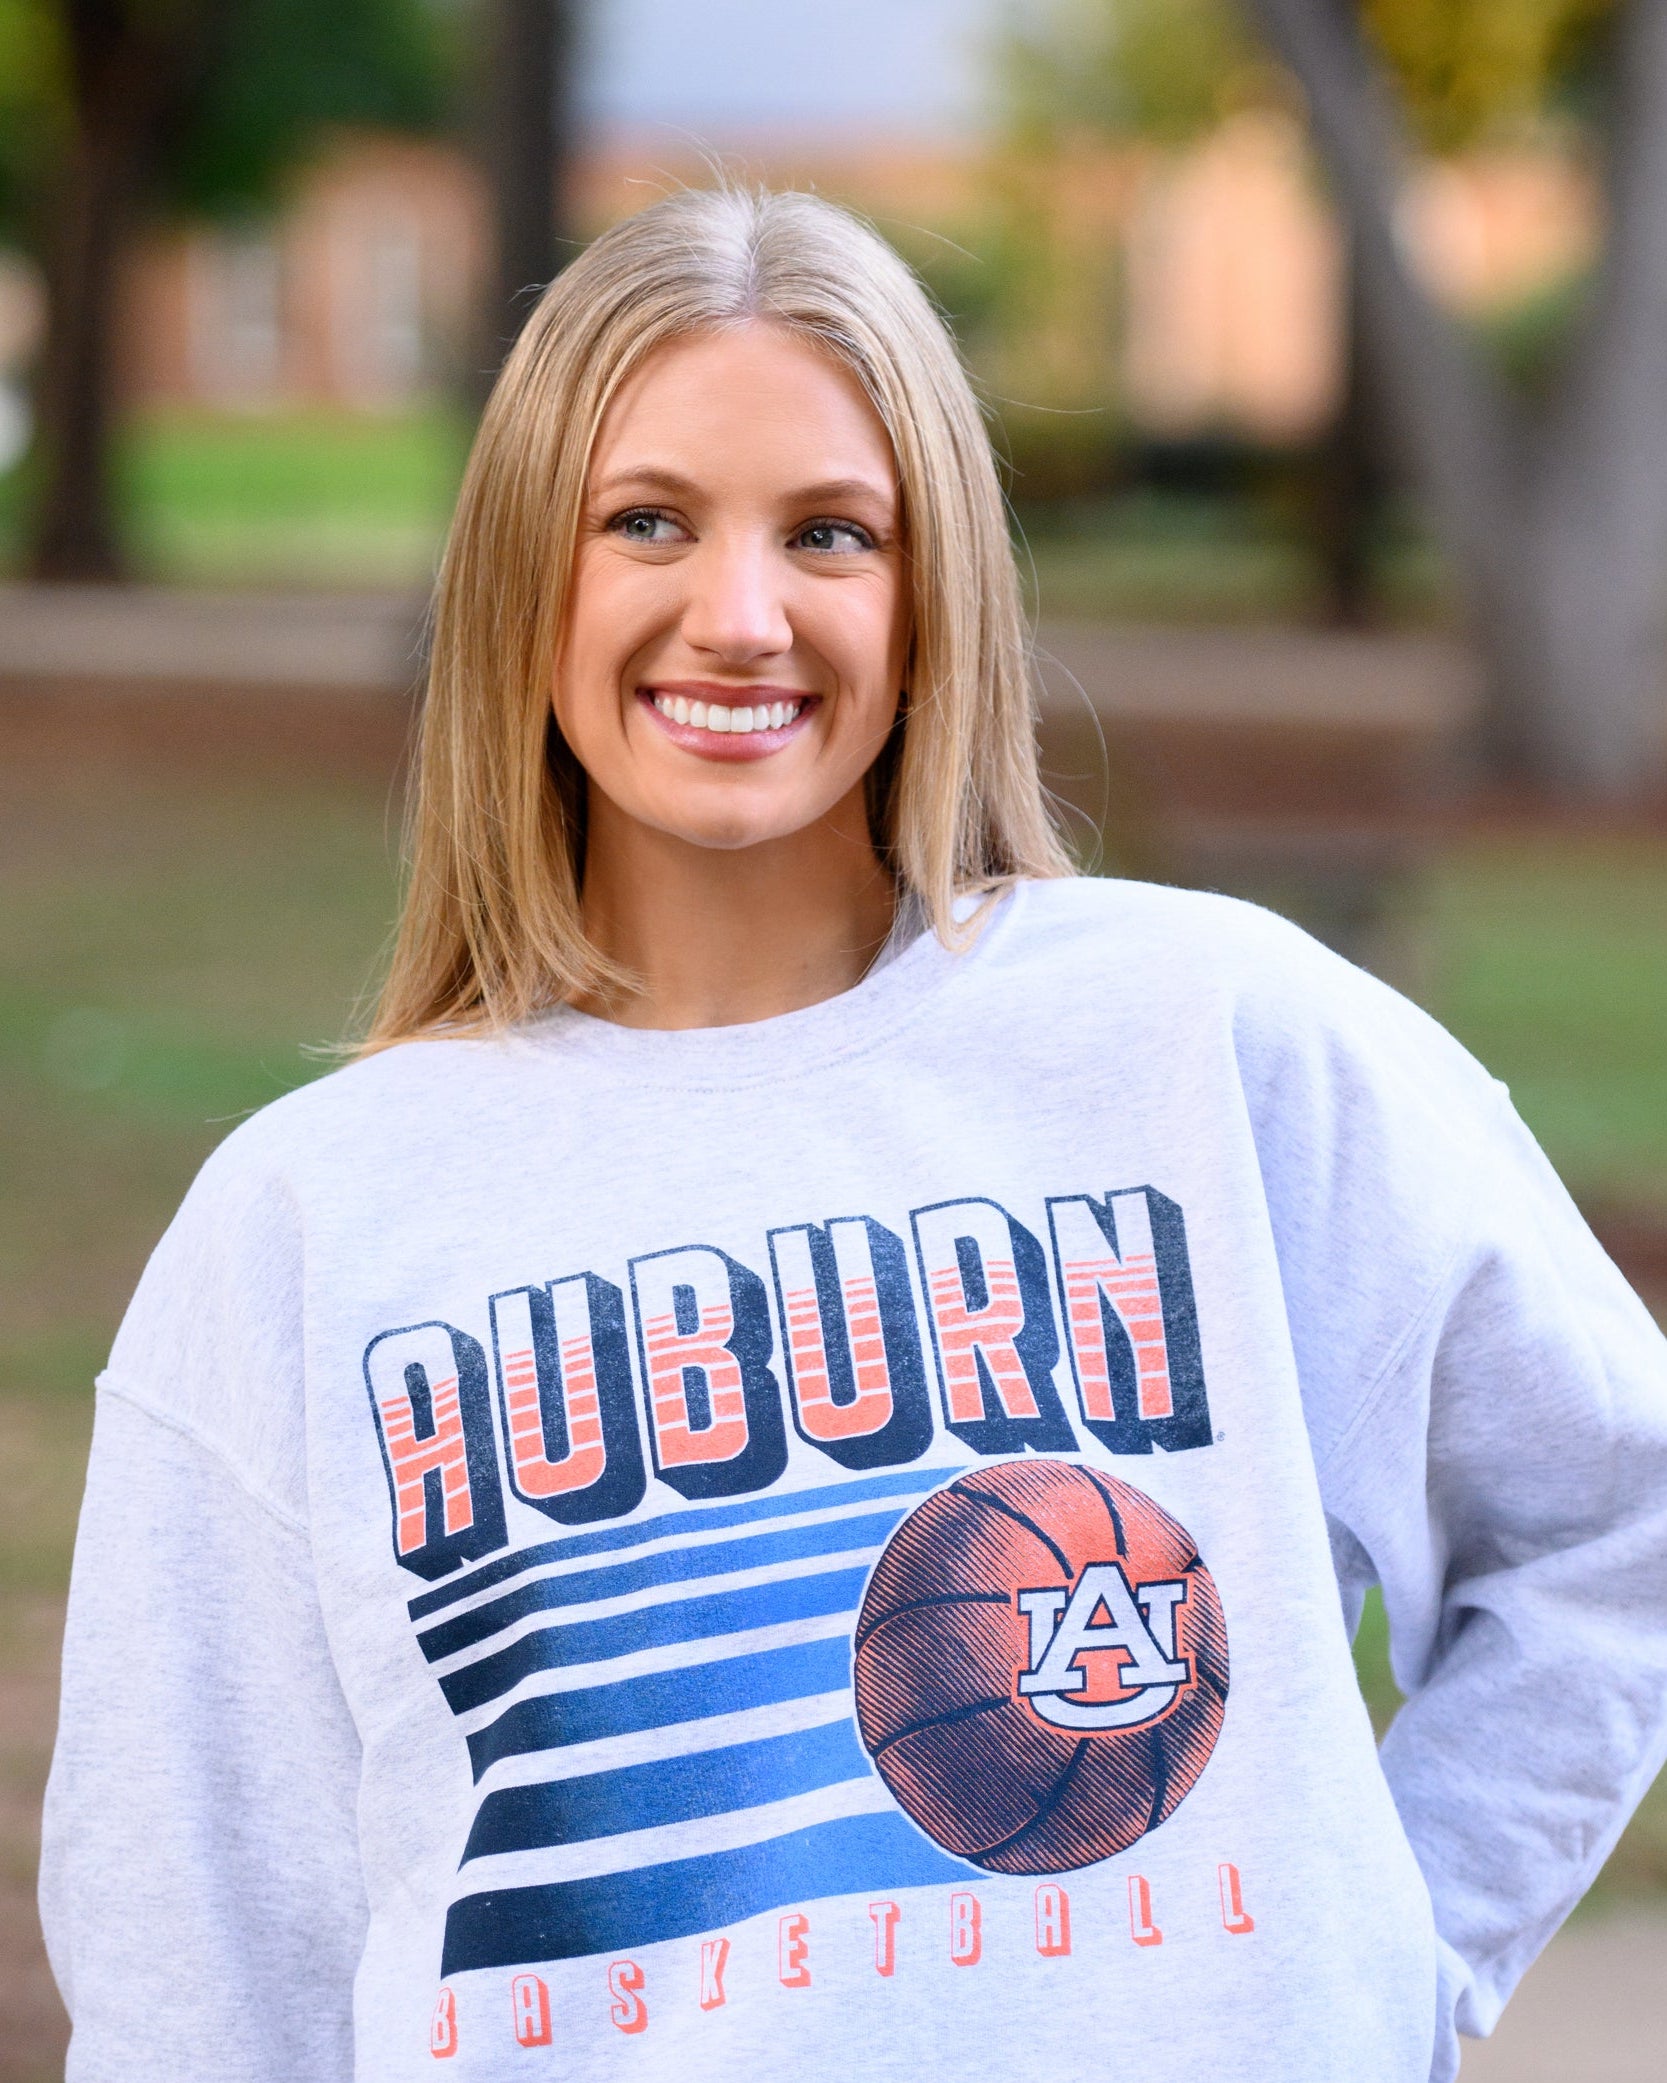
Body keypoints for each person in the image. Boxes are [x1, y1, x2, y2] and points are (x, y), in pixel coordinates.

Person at [40, 185, 1667, 2083]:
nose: (740, 617)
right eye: (646, 520)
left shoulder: (1214, 1042)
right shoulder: (306, 1226)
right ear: (520, 581)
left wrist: (1385, 1959)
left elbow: (1612, 1519)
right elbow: (199, 1971)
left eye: (832, 532)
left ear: (931, 592)